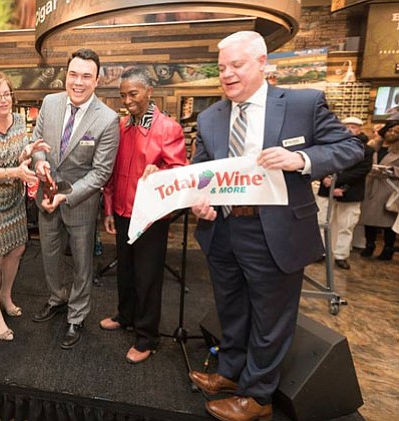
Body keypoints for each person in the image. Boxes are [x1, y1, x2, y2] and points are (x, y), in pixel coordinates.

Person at [188, 31, 363, 421]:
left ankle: (258, 396)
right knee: (231, 308)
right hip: (224, 229)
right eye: (221, 68)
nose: (228, 75)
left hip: (275, 232)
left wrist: (299, 159)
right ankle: (231, 374)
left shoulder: (303, 103)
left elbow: (350, 148)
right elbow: (201, 171)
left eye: (237, 65)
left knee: (271, 316)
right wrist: (199, 199)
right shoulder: (211, 116)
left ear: (263, 63)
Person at [31, 48, 120, 349]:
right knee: (49, 255)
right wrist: (40, 162)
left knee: (83, 264)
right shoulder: (49, 103)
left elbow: (101, 173)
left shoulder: (108, 120)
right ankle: (57, 297)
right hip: (46, 197)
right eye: (73, 74)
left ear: (97, 81)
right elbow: (37, 142)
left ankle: (77, 316)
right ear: (65, 75)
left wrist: (65, 197)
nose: (78, 82)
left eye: (86, 76)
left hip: (79, 203)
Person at [99, 69, 187, 363]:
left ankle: (148, 336)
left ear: (149, 91)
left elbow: (179, 171)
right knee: (125, 270)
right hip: (124, 211)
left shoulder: (168, 128)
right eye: (123, 95)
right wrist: (109, 209)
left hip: (150, 217)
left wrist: (160, 172)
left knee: (147, 277)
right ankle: (126, 315)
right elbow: (112, 173)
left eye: (133, 94)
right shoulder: (122, 126)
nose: (127, 100)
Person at [0, 72, 50, 341]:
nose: (3, 100)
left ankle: (6, 295)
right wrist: (18, 173)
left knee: (17, 249)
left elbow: (17, 153)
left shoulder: (17, 120)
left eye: (6, 94)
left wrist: (29, 151)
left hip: (14, 200)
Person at [316, 116, 373, 269]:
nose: (350, 129)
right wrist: (326, 179)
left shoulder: (367, 149)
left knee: (346, 225)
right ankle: (320, 252)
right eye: (347, 126)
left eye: (354, 126)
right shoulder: (330, 144)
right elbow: (321, 162)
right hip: (326, 189)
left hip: (351, 192)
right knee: (321, 221)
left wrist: (338, 184)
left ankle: (341, 255)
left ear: (360, 129)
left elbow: (361, 171)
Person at [359, 116, 399, 261]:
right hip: (371, 185)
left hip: (388, 188)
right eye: (390, 130)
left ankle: (388, 248)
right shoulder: (373, 145)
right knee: (369, 218)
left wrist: (392, 170)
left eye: (396, 131)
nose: (392, 133)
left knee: (387, 220)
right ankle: (369, 245)